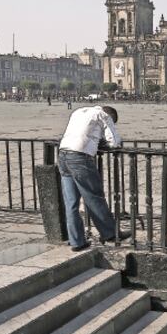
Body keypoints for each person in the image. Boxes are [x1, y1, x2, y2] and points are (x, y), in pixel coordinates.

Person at [59, 105, 123, 251]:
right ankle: (109, 233)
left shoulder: (78, 111)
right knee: (94, 196)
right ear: (111, 116)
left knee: (71, 203)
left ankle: (77, 241)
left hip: (63, 155)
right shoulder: (103, 115)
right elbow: (114, 141)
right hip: (80, 157)